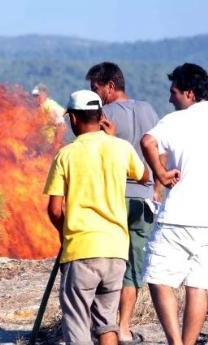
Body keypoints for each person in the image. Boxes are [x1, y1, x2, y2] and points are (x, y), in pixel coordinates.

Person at [44, 90, 149, 345]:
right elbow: (144, 176)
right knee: (106, 323)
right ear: (101, 116)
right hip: (116, 251)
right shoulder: (121, 148)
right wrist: (112, 141)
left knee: (78, 323)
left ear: (74, 120)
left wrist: (64, 232)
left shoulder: (66, 155)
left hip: (81, 250)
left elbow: (55, 209)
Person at [85, 62, 160, 344]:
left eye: (96, 88)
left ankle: (103, 328)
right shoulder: (149, 110)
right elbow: (158, 152)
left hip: (114, 198)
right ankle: (125, 329)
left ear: (110, 86)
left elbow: (95, 154)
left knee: (105, 263)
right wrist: (157, 187)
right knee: (133, 265)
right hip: (144, 199)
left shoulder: (103, 114)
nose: (96, 94)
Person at [140, 63, 208, 345]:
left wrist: (160, 173)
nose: (170, 99)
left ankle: (175, 342)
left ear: (189, 93)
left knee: (157, 276)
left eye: (174, 92)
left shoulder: (176, 121)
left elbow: (147, 141)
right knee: (199, 286)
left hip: (179, 216)